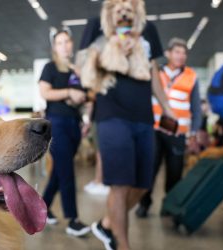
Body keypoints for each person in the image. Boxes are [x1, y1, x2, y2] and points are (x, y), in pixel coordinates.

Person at [80, 1, 176, 249]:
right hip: (111, 114)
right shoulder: (96, 26)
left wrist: (166, 107)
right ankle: (122, 244)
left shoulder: (148, 29)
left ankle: (107, 224)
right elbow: (84, 67)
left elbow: (154, 71)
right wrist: (111, 52)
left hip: (144, 114)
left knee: (143, 185)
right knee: (120, 185)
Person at [136, 38, 202, 218]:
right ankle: (144, 203)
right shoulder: (156, 72)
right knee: (150, 169)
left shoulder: (191, 76)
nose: (181, 56)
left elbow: (196, 107)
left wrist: (193, 132)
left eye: (184, 53)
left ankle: (169, 205)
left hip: (178, 133)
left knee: (175, 172)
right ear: (168, 54)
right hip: (155, 130)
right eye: (177, 52)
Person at [39, 30, 91, 237]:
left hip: (75, 124)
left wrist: (83, 111)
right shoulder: (49, 67)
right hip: (57, 123)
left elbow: (86, 95)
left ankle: (43, 207)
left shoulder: (77, 70)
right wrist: (69, 93)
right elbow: (45, 93)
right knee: (67, 171)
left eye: (67, 41)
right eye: (59, 42)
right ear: (55, 47)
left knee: (59, 173)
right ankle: (73, 219)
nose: (64, 45)